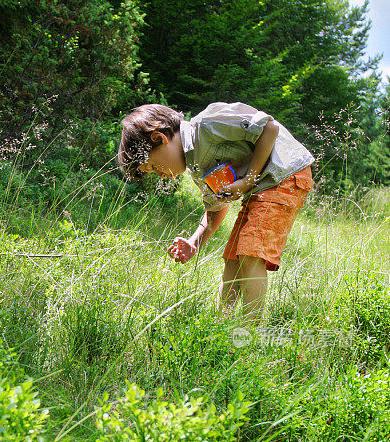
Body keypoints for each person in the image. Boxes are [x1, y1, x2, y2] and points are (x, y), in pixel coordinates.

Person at [118, 102, 315, 324]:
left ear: (159, 139)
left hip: (285, 176)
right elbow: (217, 208)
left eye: (154, 167)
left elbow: (269, 128)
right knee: (233, 258)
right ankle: (221, 326)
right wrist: (195, 242)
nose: (160, 175)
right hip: (261, 189)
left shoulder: (208, 125)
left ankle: (248, 333)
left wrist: (247, 180)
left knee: (251, 254)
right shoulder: (196, 167)